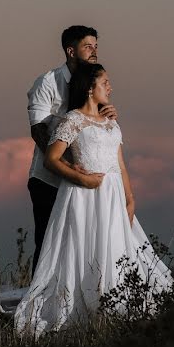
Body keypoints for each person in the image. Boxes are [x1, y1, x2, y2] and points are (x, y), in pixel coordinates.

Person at [9, 62, 174, 337]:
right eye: (105, 82)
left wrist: (130, 198)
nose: (110, 87)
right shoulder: (72, 120)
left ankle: (116, 297)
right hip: (84, 196)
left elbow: (120, 164)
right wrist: (82, 179)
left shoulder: (111, 122)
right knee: (86, 246)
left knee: (117, 248)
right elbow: (51, 159)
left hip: (112, 195)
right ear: (89, 89)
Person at [26, 26, 117, 274]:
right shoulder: (47, 82)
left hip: (85, 184)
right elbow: (38, 131)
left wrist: (108, 115)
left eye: (96, 46)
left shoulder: (95, 85)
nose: (94, 52)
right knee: (48, 245)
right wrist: (66, 166)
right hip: (49, 180)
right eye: (88, 46)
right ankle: (37, 304)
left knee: (82, 246)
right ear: (70, 50)